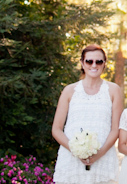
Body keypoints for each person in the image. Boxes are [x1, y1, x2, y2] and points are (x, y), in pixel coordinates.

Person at [52, 44, 122, 184]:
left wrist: (99, 154)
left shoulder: (113, 90)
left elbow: (116, 129)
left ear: (104, 64)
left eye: (99, 61)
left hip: (103, 160)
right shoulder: (69, 90)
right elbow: (56, 129)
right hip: (71, 160)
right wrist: (75, 150)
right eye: (89, 61)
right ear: (82, 63)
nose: (94, 65)